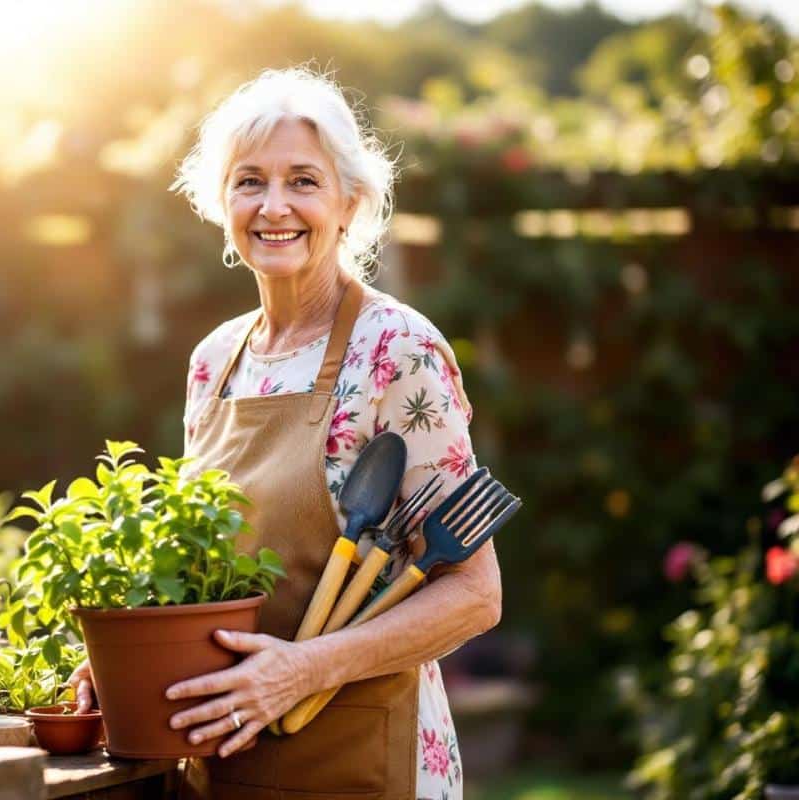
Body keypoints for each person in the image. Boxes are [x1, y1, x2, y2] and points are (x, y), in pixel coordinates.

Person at [70, 67, 502, 800]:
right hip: (227, 764)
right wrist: (135, 656)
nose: (274, 206)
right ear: (221, 202)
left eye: (303, 180)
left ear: (349, 203)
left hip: (364, 757)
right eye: (250, 181)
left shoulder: (397, 349)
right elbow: (206, 573)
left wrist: (304, 669)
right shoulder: (215, 362)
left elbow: (473, 594)